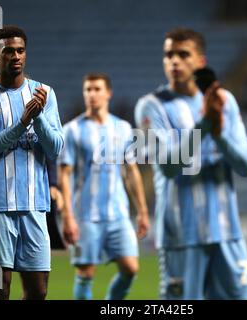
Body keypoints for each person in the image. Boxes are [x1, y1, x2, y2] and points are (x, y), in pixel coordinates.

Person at [134, 28, 247, 300]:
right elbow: (168, 166)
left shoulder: (224, 101)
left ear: (201, 61)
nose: (174, 61)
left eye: (183, 54)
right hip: (180, 236)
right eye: (168, 55)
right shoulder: (149, 107)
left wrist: (218, 133)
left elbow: (246, 165)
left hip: (226, 231)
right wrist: (205, 125)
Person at [0, 25, 64, 300]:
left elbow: (55, 148)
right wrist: (22, 123)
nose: (16, 56)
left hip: (34, 207)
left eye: (20, 50)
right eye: (8, 51)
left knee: (38, 291)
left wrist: (39, 117)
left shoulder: (45, 94)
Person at [59, 73, 150, 300]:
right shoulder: (72, 130)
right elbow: (65, 174)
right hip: (85, 215)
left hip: (118, 214)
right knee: (86, 272)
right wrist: (68, 216)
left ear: (108, 93)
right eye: (87, 90)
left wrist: (142, 211)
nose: (92, 94)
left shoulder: (123, 128)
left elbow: (131, 172)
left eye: (97, 89)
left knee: (131, 268)